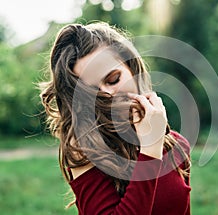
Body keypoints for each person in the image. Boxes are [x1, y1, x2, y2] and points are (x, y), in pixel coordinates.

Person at [40, 22, 191, 215]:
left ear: (132, 68)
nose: (107, 95)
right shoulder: (84, 148)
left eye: (113, 79)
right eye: (91, 92)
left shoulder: (176, 145)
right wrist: (150, 148)